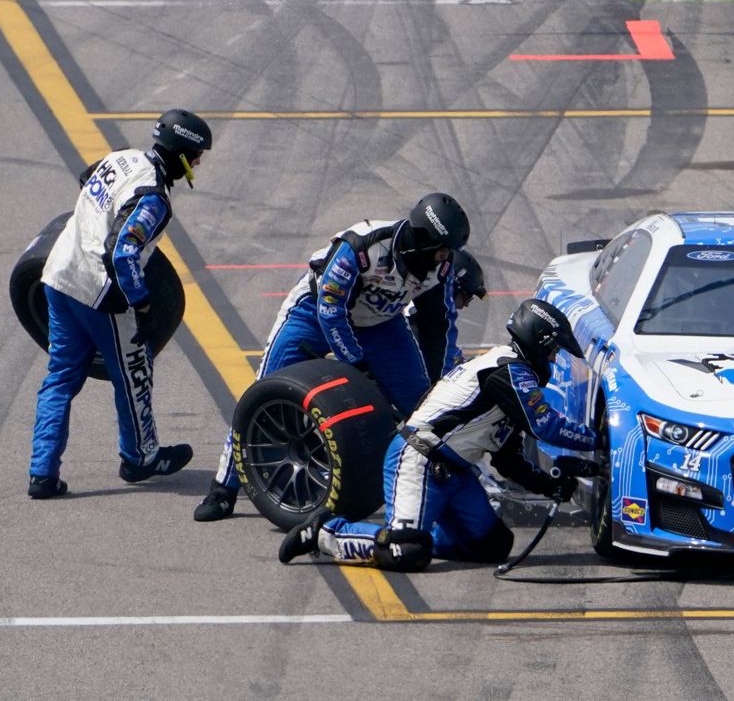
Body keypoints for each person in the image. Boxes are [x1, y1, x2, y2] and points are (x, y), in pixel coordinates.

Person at [193, 193, 472, 522]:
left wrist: (438, 382)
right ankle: (223, 489)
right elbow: (331, 311)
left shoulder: (441, 267)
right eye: (442, 248)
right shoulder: (362, 245)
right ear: (423, 239)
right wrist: (355, 364)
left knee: (425, 404)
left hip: (382, 325)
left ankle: (436, 485)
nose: (446, 257)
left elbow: (438, 326)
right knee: (263, 389)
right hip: (313, 313)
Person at [277, 298, 596, 571]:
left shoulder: (512, 381)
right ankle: (325, 532)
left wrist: (549, 485)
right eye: (553, 349)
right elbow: (545, 425)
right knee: (406, 552)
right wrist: (598, 439)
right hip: (418, 459)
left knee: (493, 546)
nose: (554, 358)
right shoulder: (508, 371)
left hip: (455, 474)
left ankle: (422, 533)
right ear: (538, 341)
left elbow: (507, 460)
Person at [29, 109, 212, 498]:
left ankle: (42, 472)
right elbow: (122, 252)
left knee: (60, 376)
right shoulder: (155, 200)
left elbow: (86, 180)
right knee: (134, 373)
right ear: (182, 153)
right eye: (196, 156)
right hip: (98, 294)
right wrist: (142, 305)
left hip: (58, 274)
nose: (197, 164)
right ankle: (140, 458)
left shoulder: (120, 156)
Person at [408, 247, 487, 383]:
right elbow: (445, 363)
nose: (466, 305)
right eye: (466, 296)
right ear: (454, 286)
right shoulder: (430, 319)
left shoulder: (412, 303)